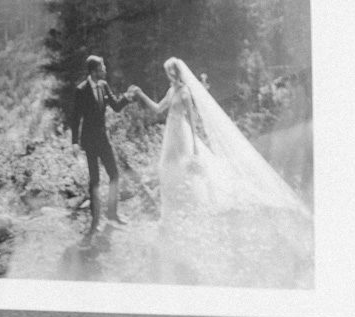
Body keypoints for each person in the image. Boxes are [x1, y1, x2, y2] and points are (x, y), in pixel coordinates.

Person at [129, 58, 311, 223]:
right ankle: (171, 208)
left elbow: (192, 120)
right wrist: (141, 94)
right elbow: (158, 109)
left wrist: (194, 145)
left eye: (170, 72)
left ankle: (194, 203)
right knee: (167, 166)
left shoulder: (184, 93)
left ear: (176, 73)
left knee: (187, 167)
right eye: (167, 72)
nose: (168, 75)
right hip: (171, 132)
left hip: (181, 133)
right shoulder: (171, 91)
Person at [70, 55, 132, 239]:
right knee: (95, 181)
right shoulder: (81, 90)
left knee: (114, 174)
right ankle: (94, 222)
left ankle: (112, 214)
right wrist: (74, 142)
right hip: (89, 142)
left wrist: (127, 98)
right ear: (93, 71)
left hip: (103, 140)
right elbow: (75, 118)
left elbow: (116, 106)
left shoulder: (104, 85)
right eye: (102, 67)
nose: (105, 70)